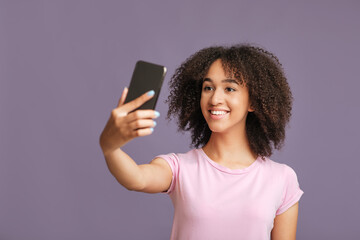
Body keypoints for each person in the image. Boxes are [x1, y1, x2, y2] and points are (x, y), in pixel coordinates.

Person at [99, 44, 304, 240]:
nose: (215, 99)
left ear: (253, 102)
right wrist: (109, 147)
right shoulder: (179, 168)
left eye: (229, 89)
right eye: (208, 88)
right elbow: (137, 178)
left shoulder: (282, 179)